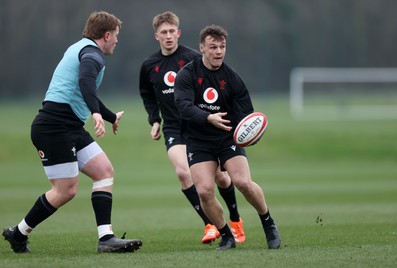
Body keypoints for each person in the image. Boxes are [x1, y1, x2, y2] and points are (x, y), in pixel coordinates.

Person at [2, 11, 142, 254]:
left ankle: (106, 238)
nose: (117, 41)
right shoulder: (92, 54)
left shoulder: (81, 47)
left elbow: (83, 92)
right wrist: (96, 114)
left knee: (104, 171)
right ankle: (19, 233)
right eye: (116, 36)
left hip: (70, 126)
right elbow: (85, 81)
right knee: (65, 190)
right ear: (106, 35)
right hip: (53, 128)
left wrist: (109, 116)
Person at [139, 11, 245, 244]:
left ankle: (236, 220)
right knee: (182, 172)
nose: (168, 36)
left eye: (171, 32)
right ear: (156, 36)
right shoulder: (149, 65)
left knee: (222, 179)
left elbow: (216, 86)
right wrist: (154, 119)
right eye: (163, 33)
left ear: (178, 33)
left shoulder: (193, 58)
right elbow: (147, 94)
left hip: (201, 127)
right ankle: (210, 224)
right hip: (174, 128)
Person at [174, 24, 281, 250]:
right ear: (201, 47)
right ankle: (227, 235)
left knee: (243, 182)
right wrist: (207, 117)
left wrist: (251, 134)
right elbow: (182, 106)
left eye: (222, 47)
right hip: (199, 140)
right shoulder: (188, 74)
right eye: (213, 47)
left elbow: (246, 116)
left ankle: (268, 222)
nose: (219, 52)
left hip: (227, 138)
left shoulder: (232, 78)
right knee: (203, 191)